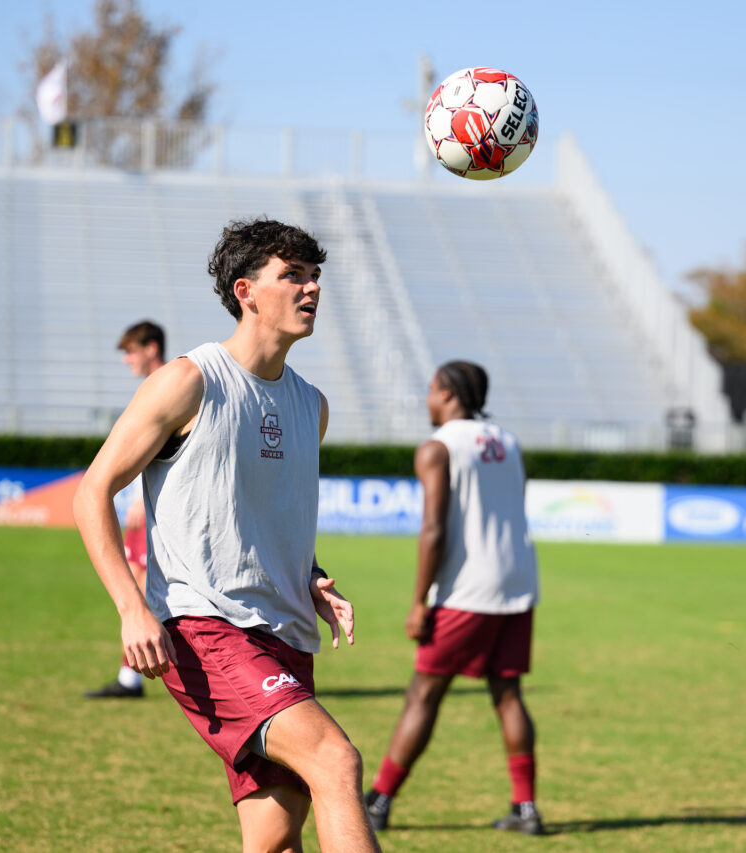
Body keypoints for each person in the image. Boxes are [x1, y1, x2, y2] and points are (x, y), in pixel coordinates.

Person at [73, 218, 381, 852]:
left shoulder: (310, 406)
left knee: (272, 839)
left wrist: (315, 578)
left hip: (286, 634)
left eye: (314, 275)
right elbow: (92, 492)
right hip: (205, 625)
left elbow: (276, 516)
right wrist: (133, 611)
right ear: (246, 291)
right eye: (292, 275)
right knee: (336, 763)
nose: (311, 288)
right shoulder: (189, 381)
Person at [364, 361, 545, 836]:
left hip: (468, 589)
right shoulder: (508, 441)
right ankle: (526, 809)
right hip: (518, 581)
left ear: (446, 392)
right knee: (508, 694)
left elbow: (434, 529)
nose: (427, 399)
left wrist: (421, 600)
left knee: (424, 693)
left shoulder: (437, 448)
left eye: (430, 390)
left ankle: (379, 801)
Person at [85, 320, 167, 699]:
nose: (127, 360)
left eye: (131, 351)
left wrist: (139, 498)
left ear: (152, 348)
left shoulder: (168, 384)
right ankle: (130, 676)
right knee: (135, 585)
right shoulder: (157, 385)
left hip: (156, 512)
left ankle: (133, 678)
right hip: (145, 509)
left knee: (144, 590)